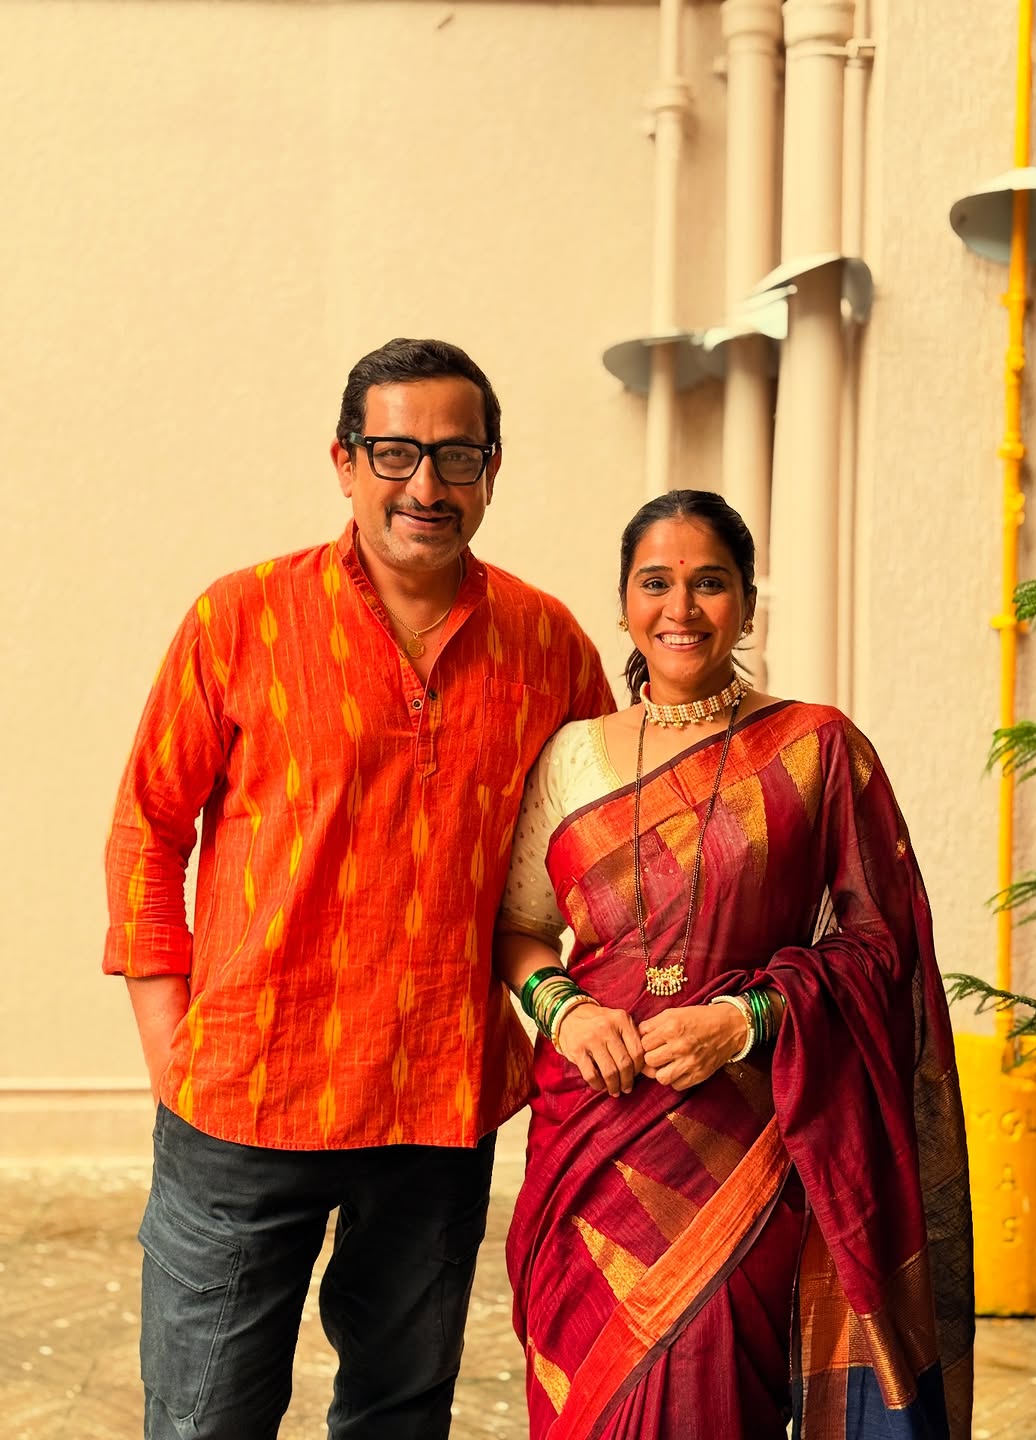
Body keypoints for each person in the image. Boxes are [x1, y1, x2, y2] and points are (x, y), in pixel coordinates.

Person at [102, 337, 614, 1440]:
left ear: (491, 469)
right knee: (203, 1418)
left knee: (398, 1410)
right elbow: (149, 824)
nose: (426, 485)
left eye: (456, 455)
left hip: (440, 1097)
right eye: (396, 452)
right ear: (344, 462)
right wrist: (170, 1044)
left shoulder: (549, 646)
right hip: (247, 1093)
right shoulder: (239, 620)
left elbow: (602, 842)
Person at [496, 489, 974, 1439]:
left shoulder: (817, 748)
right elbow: (520, 929)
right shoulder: (572, 757)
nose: (682, 608)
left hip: (751, 1135)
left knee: (714, 1385)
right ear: (625, 602)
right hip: (593, 1130)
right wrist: (567, 1012)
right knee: (586, 1396)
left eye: (710, 583)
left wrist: (746, 1019)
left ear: (748, 603)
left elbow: (882, 942)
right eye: (657, 583)